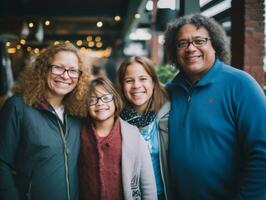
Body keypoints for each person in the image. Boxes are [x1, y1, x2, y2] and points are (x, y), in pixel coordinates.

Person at [164, 13, 266, 199]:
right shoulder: (170, 91)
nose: (190, 48)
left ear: (215, 46)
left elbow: (262, 152)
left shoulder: (240, 84)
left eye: (199, 40)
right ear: (174, 51)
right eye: (182, 43)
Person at [0, 42, 91, 200]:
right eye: (58, 67)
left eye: (73, 71)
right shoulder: (17, 107)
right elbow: (2, 162)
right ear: (43, 69)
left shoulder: (78, 112)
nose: (65, 75)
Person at [79, 77, 157, 200]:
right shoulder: (80, 134)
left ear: (115, 101)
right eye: (92, 100)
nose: (100, 103)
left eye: (106, 98)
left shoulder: (133, 135)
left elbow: (148, 184)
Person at [117, 56, 171, 200]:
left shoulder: (169, 113)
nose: (136, 85)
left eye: (143, 79)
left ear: (153, 82)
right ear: (122, 85)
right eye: (129, 80)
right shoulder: (115, 119)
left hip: (165, 194)